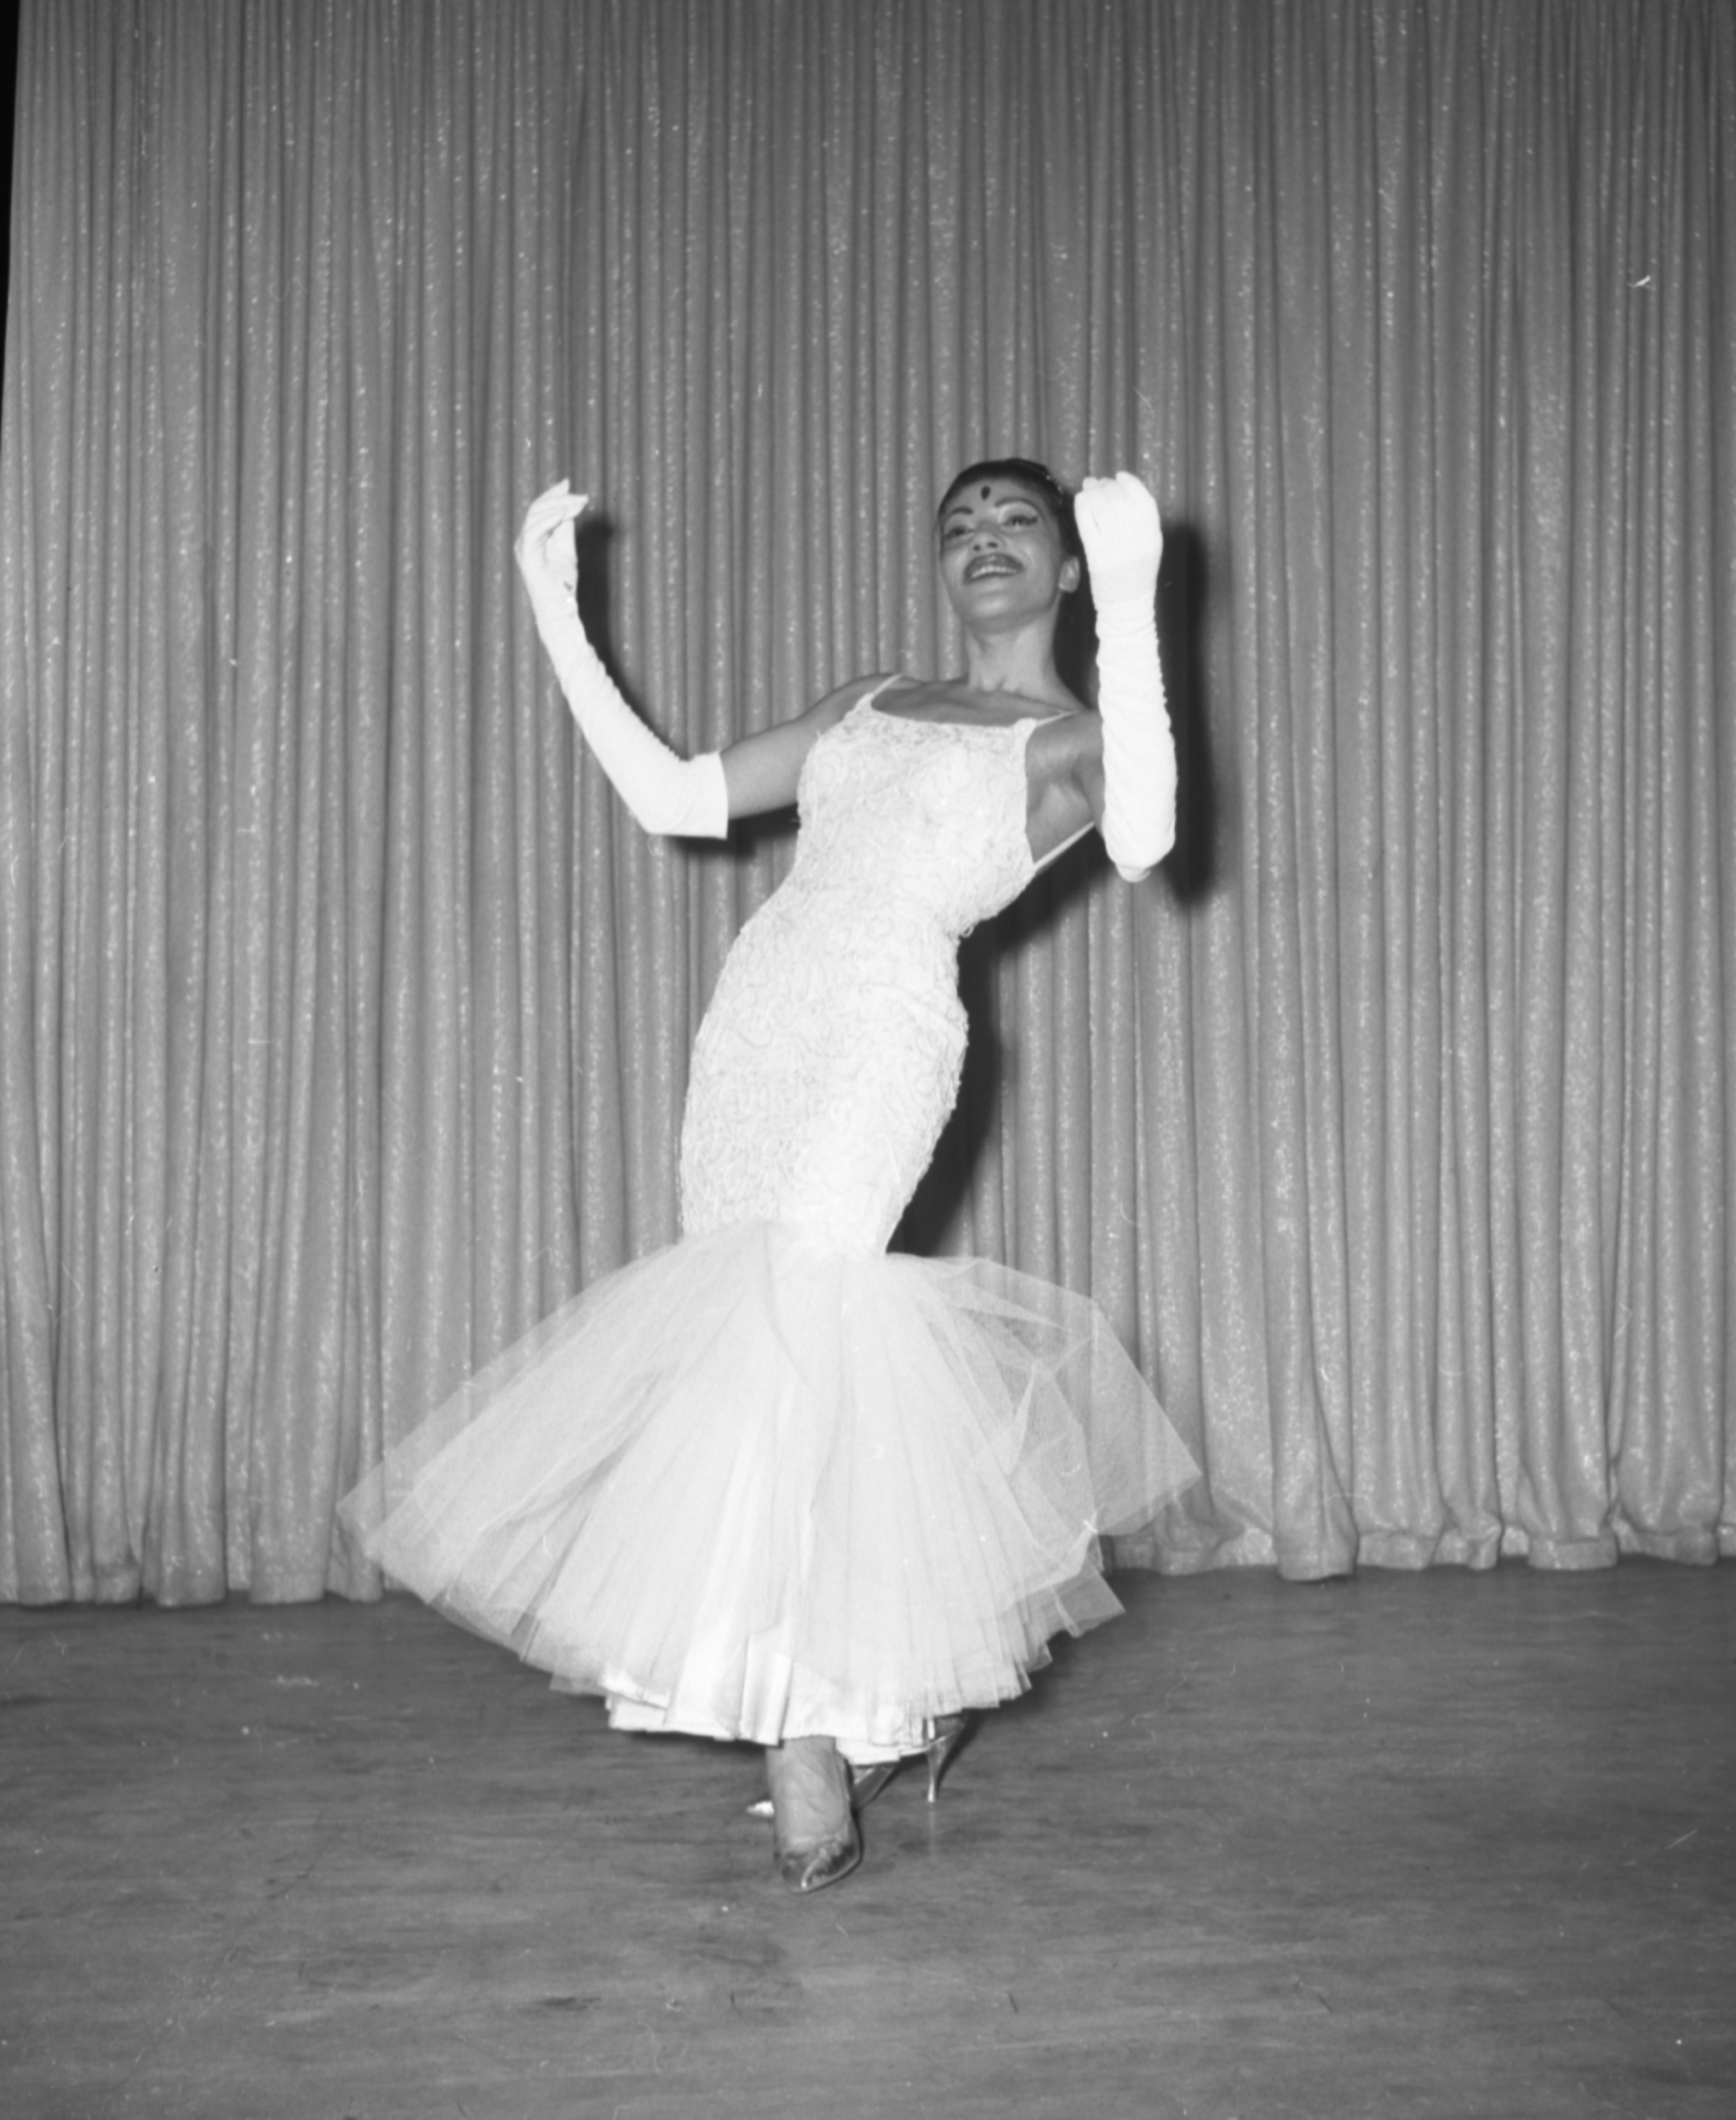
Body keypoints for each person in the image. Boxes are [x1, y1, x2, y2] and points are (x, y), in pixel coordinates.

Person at [341, 459, 1198, 1894]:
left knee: (808, 1318)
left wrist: (1131, 589)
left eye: (1018, 522)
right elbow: (680, 794)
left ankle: (807, 1731)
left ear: (1060, 564)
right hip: (758, 1017)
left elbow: (1155, 832)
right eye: (959, 523)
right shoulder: (872, 697)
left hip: (884, 1022)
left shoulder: (1070, 738)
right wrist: (556, 613)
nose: (984, 539)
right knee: (749, 1351)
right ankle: (876, 1705)